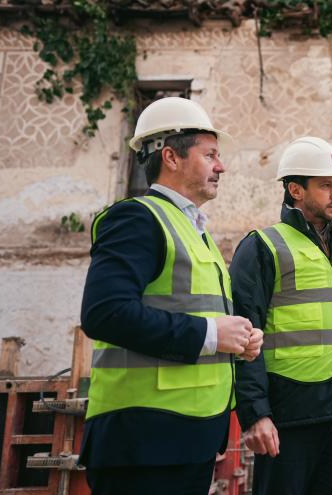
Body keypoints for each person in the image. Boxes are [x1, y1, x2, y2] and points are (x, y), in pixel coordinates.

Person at [80, 96, 263, 495]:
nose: (222, 165)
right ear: (172, 157)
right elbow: (104, 314)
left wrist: (239, 341)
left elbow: (193, 314)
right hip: (142, 439)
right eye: (211, 154)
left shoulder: (197, 232)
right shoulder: (136, 218)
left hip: (185, 437)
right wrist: (214, 335)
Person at [229, 136, 332, 495]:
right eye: (325, 185)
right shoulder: (263, 246)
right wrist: (256, 413)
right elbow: (243, 333)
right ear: (296, 190)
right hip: (288, 415)